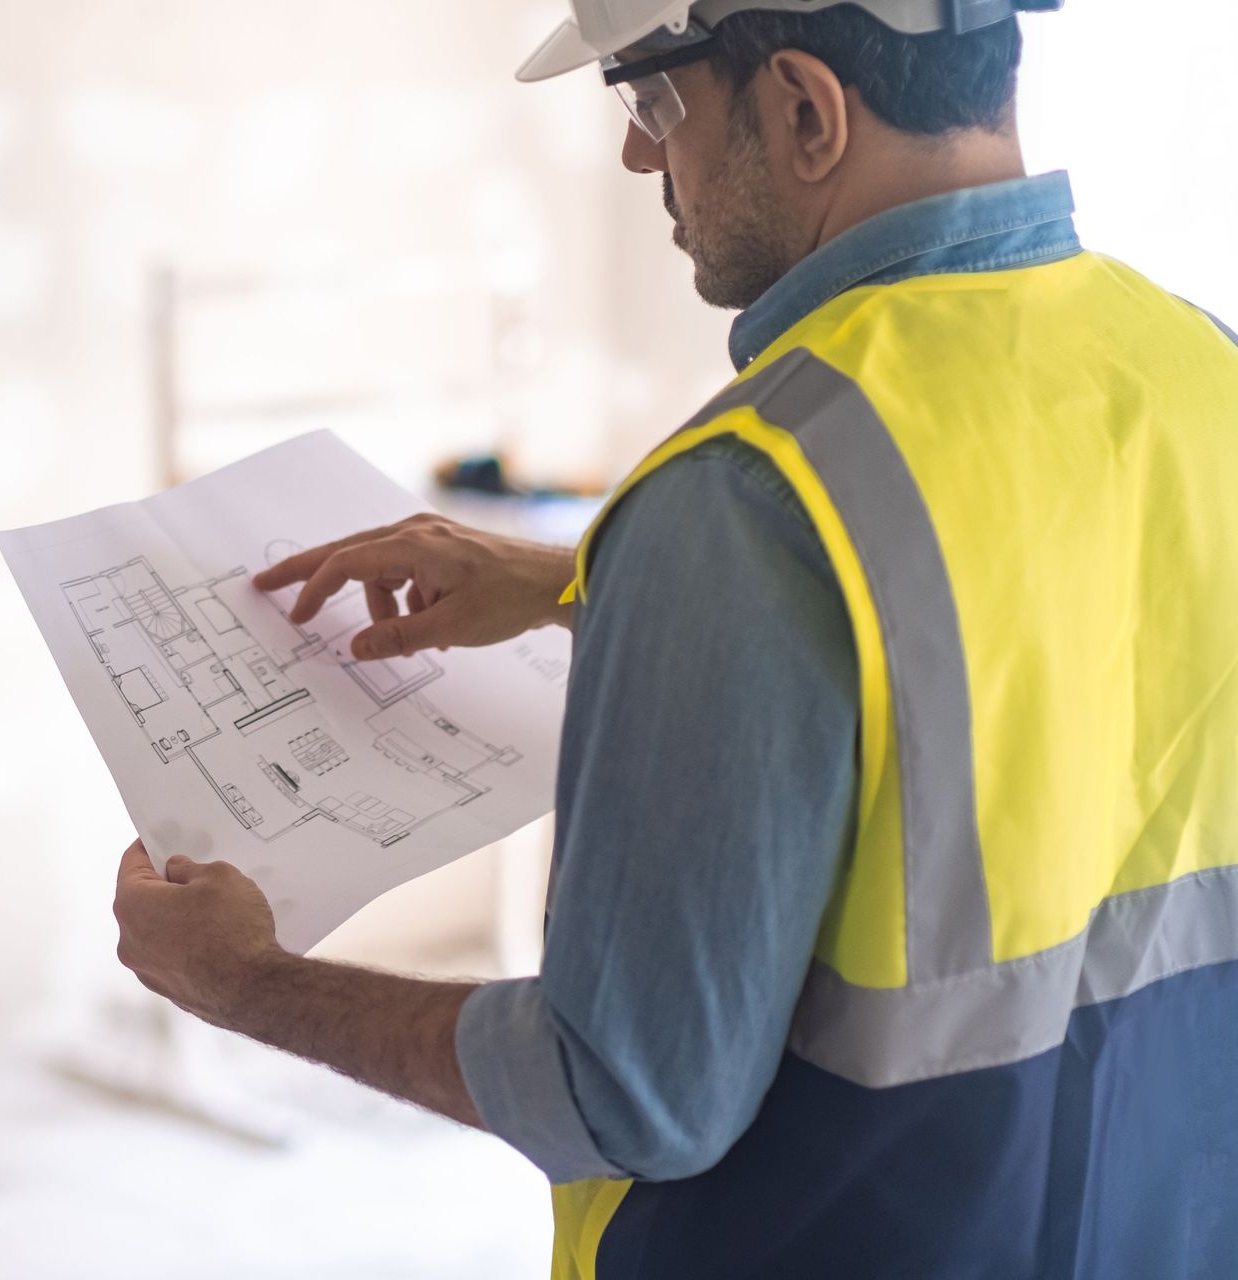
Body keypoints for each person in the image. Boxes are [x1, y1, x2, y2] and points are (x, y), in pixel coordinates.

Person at [111, 3, 1238, 1276]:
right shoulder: (1197, 368)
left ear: (807, 109)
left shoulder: (748, 491)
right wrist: (576, 584)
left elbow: (621, 1090)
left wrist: (244, 981)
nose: (645, 159)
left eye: (654, 103)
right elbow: (1016, 638)